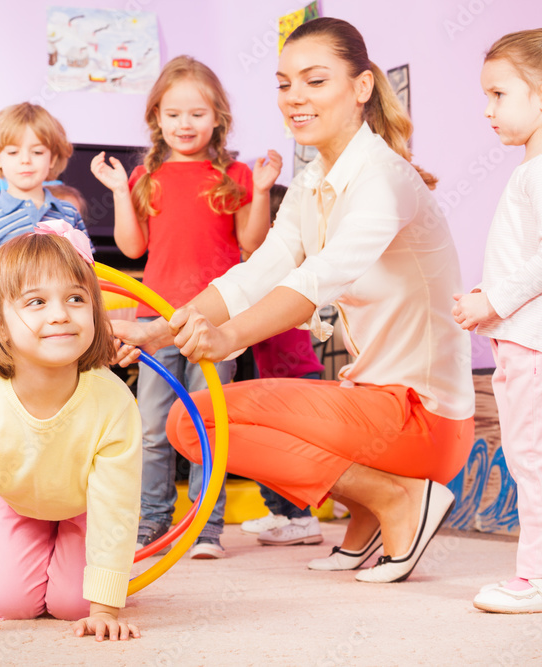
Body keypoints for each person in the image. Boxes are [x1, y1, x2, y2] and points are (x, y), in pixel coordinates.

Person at [113, 17, 475, 584]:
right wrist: (159, 331)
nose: (294, 98)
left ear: (360, 88)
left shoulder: (383, 177)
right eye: (284, 84)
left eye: (314, 81)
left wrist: (228, 337)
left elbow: (319, 280)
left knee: (193, 424)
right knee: (191, 423)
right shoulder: (312, 181)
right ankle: (368, 513)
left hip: (422, 417)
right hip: (374, 401)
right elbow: (257, 272)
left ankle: (399, 497)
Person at [90, 55, 282, 559]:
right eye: (173, 114)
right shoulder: (146, 175)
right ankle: (153, 521)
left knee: (208, 424)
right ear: (157, 118)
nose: (185, 124)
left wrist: (260, 193)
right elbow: (132, 248)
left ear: (217, 118)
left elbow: (251, 241)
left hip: (215, 320)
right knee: (152, 426)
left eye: (197, 114)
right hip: (155, 319)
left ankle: (206, 528)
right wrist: (117, 191)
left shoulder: (234, 172)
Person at [0, 230, 142, 642]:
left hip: (84, 507)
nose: (60, 314)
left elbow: (117, 505)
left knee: (74, 606)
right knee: (11, 605)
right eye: (36, 302)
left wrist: (105, 608)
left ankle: (79, 563)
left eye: (76, 299)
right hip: (20, 503)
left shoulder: (113, 399)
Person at [452, 28, 542, 614]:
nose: (488, 110)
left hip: (534, 342)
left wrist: (492, 301)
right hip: (530, 338)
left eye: (499, 95)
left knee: (530, 456)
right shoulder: (540, 168)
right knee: (539, 456)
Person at [239, 184, 327, 548]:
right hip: (273, 374)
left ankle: (302, 520)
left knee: (286, 452)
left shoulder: (287, 268)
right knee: (265, 448)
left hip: (296, 375)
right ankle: (279, 512)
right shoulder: (264, 268)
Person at [0, 103, 88, 262]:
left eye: (37, 152)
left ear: (52, 159)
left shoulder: (70, 213)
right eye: (13, 152)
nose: (25, 160)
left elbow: (87, 270)